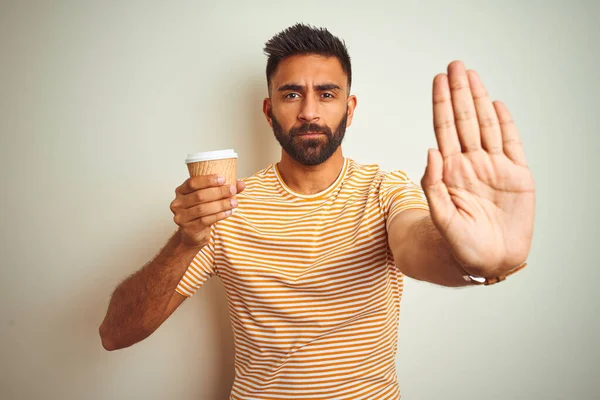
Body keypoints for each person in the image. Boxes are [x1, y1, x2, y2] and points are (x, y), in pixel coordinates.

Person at [99, 23, 535, 399]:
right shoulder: (226, 205)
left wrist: (478, 261)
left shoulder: (384, 189)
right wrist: (185, 241)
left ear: (350, 107)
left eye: (326, 94)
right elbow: (116, 333)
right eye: (292, 94)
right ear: (269, 112)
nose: (309, 111)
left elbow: (416, 246)